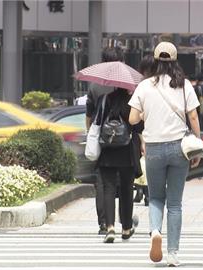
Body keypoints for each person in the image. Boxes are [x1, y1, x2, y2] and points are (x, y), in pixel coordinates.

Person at [128, 41, 201, 266]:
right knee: (175, 203)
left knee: (156, 197)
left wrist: (146, 115)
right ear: (175, 60)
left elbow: (132, 119)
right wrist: (197, 144)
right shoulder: (184, 85)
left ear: (156, 60)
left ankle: (155, 232)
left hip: (154, 149)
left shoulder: (144, 86)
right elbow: (194, 117)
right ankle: (173, 254)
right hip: (179, 148)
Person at [86, 47, 125, 235]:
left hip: (103, 140)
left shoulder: (95, 85)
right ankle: (125, 223)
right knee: (125, 181)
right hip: (124, 140)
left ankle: (104, 223)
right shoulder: (129, 84)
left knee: (103, 183)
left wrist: (90, 136)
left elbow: (89, 115)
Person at [97, 87, 143, 243]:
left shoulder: (104, 100)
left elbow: (97, 122)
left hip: (107, 150)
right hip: (127, 151)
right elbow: (138, 127)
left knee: (108, 189)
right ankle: (126, 228)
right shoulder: (132, 102)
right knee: (126, 190)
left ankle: (109, 227)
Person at [133, 55, 155, 206]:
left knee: (143, 164)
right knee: (146, 165)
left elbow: (134, 118)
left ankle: (143, 192)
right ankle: (146, 193)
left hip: (145, 133)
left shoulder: (142, 87)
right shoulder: (165, 86)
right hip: (155, 134)